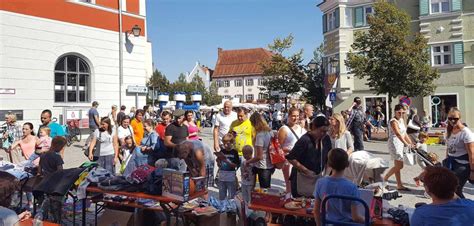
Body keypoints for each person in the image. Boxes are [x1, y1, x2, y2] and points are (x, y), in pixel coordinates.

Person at [313, 148, 364, 226]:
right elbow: (356, 217)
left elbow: (316, 210)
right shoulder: (352, 187)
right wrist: (369, 220)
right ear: (347, 164)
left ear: (329, 164)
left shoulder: (320, 182)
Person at [286, 116, 332, 197]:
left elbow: (329, 157)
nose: (324, 134)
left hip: (317, 178)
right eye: (322, 131)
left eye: (326, 131)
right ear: (314, 128)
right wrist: (306, 170)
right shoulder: (305, 140)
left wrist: (327, 175)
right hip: (301, 179)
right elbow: (291, 157)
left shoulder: (326, 139)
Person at [443, 107, 474, 198]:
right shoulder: (449, 130)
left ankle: (467, 209)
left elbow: (471, 153)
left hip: (462, 165)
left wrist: (472, 171)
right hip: (450, 162)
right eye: (450, 118)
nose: (452, 120)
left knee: (456, 189)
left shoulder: (466, 133)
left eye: (455, 118)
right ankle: (455, 209)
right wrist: (446, 159)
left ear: (459, 118)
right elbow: (448, 147)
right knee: (449, 189)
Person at [383, 104, 414, 191]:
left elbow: (404, 133)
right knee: (400, 166)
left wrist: (411, 143)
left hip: (400, 143)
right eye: (399, 112)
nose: (401, 114)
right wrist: (406, 144)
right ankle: (384, 178)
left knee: (397, 165)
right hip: (395, 143)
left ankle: (399, 184)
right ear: (395, 112)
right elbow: (398, 134)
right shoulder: (393, 121)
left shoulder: (401, 120)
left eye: (403, 112)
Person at [278, 107, 306, 193]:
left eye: (297, 116)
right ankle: (289, 199)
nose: (296, 118)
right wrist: (288, 150)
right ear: (289, 116)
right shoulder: (284, 129)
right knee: (289, 183)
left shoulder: (302, 129)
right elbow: (278, 147)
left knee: (299, 184)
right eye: (293, 116)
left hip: (300, 160)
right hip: (288, 161)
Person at [245, 112, 274, 188]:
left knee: (264, 192)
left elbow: (259, 156)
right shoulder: (270, 132)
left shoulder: (260, 135)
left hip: (262, 166)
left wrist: (248, 161)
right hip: (270, 165)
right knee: (266, 190)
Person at [215, 133, 240, 200]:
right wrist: (218, 161)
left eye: (228, 144)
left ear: (232, 143)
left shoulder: (234, 152)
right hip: (222, 176)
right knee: (222, 195)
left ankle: (231, 207)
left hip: (230, 177)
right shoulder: (222, 151)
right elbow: (219, 165)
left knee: (231, 194)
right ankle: (222, 206)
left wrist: (226, 161)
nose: (225, 145)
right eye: (224, 144)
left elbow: (235, 165)